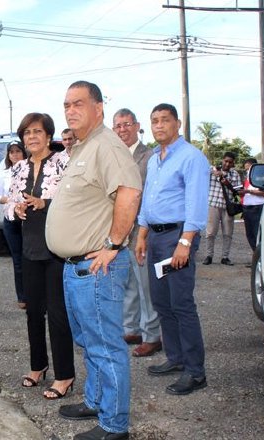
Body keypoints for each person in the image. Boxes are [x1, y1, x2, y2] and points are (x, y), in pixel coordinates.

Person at [47, 81, 142, 440]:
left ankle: (114, 426)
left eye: (79, 104)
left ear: (99, 108)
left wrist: (114, 244)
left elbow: (130, 194)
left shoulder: (106, 146)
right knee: (90, 342)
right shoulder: (84, 147)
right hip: (77, 268)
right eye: (66, 104)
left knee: (106, 345)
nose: (70, 111)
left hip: (97, 267)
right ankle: (96, 400)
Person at [134, 103, 210, 397]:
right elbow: (148, 202)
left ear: (178, 123)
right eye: (154, 121)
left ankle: (195, 371)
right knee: (162, 303)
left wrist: (186, 242)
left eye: (165, 120)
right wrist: (141, 236)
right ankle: (176, 358)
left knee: (181, 304)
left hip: (178, 236)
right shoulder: (155, 159)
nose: (159, 125)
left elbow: (196, 205)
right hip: (155, 236)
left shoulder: (192, 158)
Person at [4, 112, 74, 400]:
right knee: (33, 312)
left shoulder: (63, 162)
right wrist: (16, 210)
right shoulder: (18, 168)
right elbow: (8, 205)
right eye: (26, 133)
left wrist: (45, 202)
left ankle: (65, 374)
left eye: (37, 131)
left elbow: (74, 199)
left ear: (48, 135)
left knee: (58, 314)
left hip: (57, 248)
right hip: (29, 247)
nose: (31, 137)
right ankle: (38, 366)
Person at [112, 108, 162, 358]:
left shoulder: (149, 156)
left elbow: (146, 196)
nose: (122, 130)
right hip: (120, 233)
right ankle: (131, 328)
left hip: (141, 231)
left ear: (137, 126)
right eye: (118, 126)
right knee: (129, 285)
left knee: (145, 287)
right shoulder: (115, 156)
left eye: (127, 124)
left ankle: (152, 335)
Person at [0, 140, 28, 309]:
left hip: (29, 218)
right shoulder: (4, 173)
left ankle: (36, 293)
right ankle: (22, 296)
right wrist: (9, 199)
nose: (15, 154)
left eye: (18, 151)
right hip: (11, 218)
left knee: (31, 257)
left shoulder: (31, 169)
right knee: (18, 258)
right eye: (11, 152)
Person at [203, 152, 241, 266]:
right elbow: (201, 172)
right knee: (210, 232)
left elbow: (238, 191)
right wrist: (214, 172)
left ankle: (225, 257)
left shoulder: (235, 174)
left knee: (228, 233)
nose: (227, 164)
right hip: (213, 205)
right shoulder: (212, 170)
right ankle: (209, 256)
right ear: (222, 160)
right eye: (226, 161)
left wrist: (227, 182)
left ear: (233, 163)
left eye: (230, 162)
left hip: (227, 207)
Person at [238, 158, 264, 258]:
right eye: (246, 169)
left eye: (249, 169)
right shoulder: (247, 179)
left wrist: (248, 191)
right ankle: (257, 256)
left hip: (257, 208)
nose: (248, 171)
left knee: (257, 234)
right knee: (249, 235)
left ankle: (260, 257)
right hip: (247, 208)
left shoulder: (261, 178)